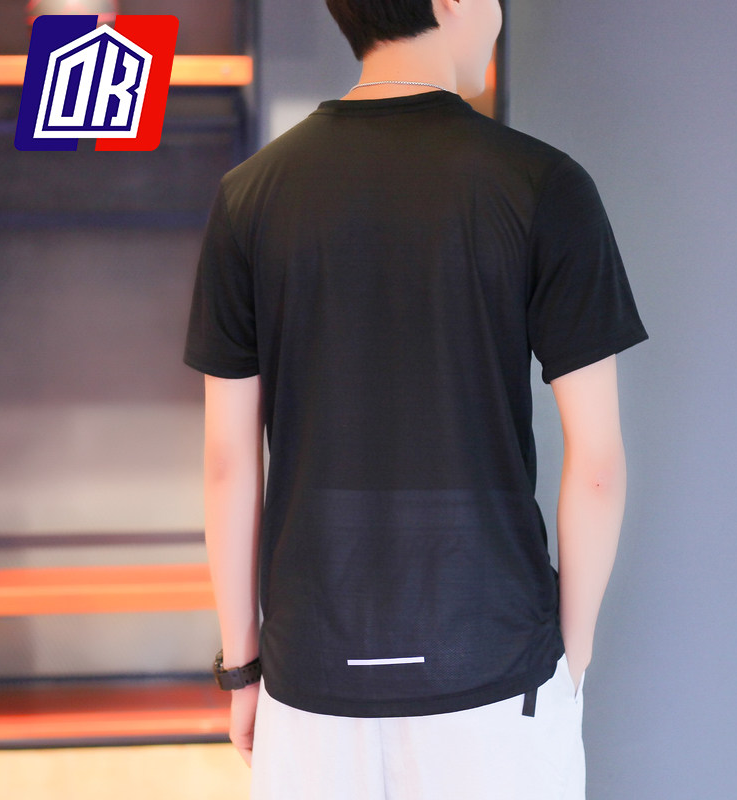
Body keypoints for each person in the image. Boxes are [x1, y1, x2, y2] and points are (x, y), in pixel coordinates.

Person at [183, 0, 648, 797]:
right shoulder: (545, 186)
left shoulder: (248, 197)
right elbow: (597, 464)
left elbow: (230, 463)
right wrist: (570, 658)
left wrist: (243, 668)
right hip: (497, 673)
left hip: (311, 679)